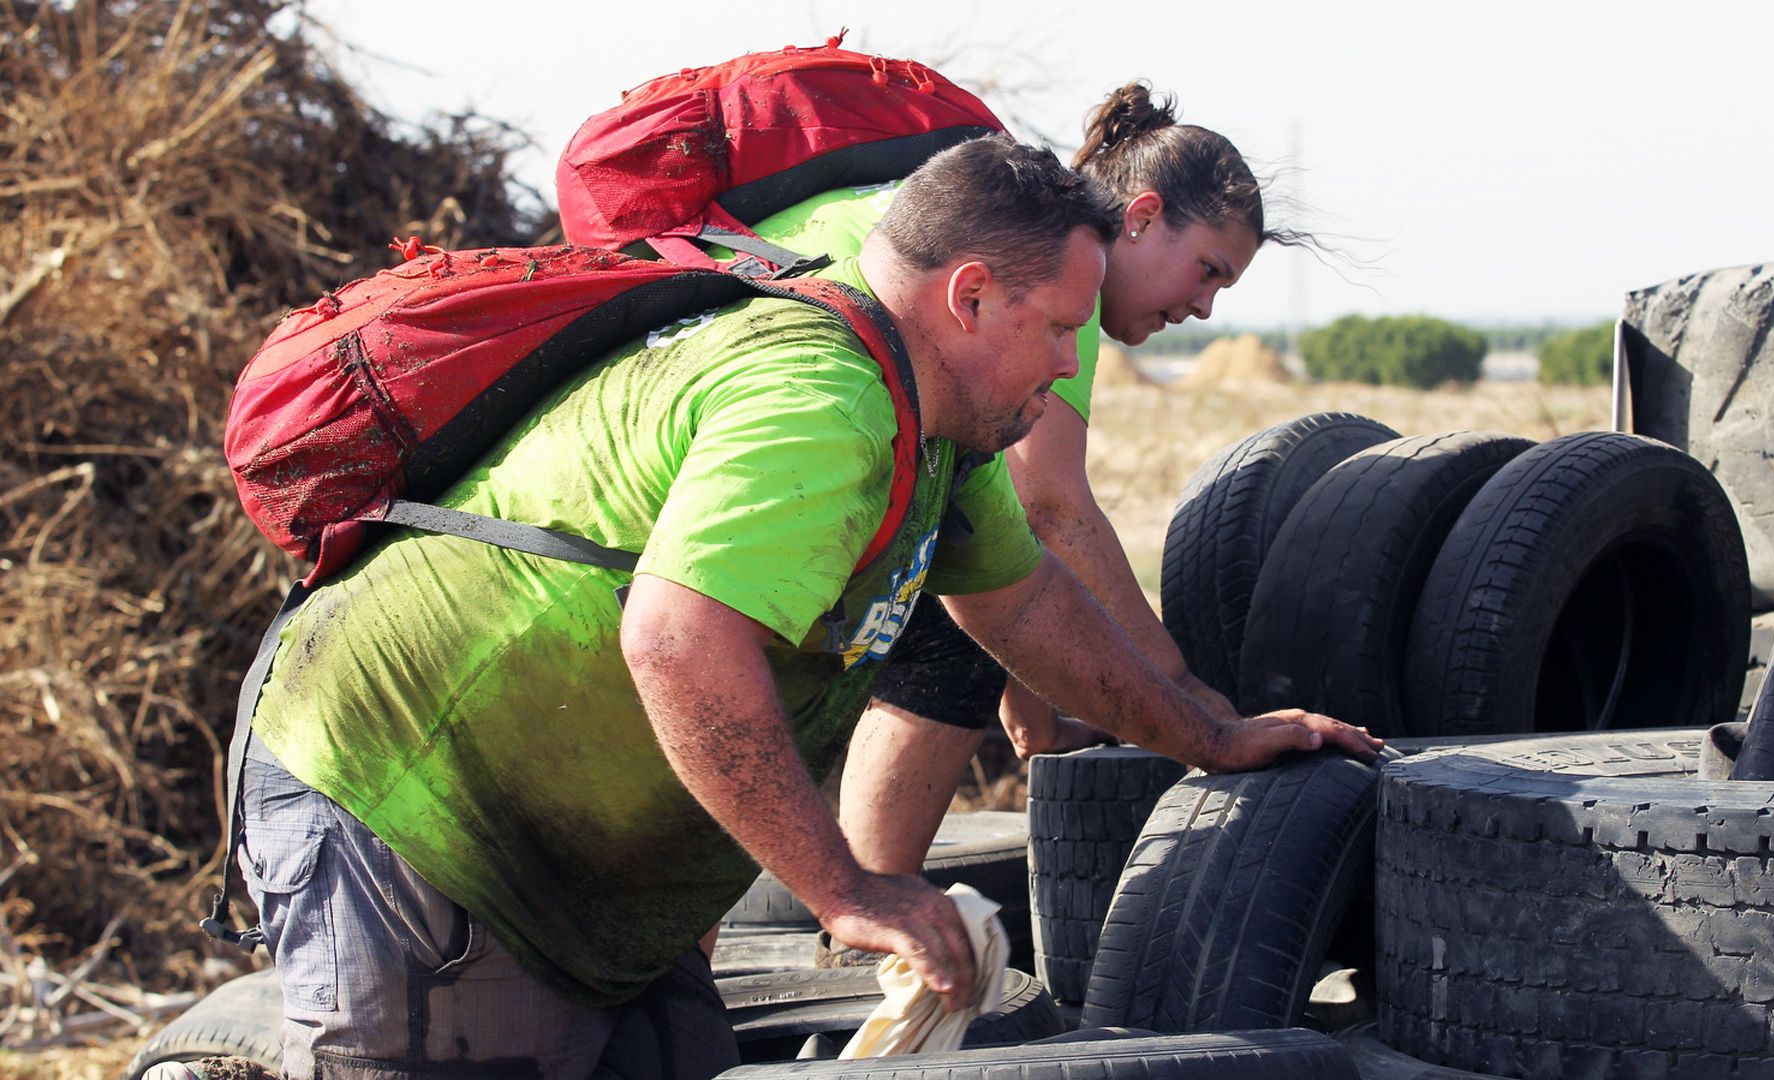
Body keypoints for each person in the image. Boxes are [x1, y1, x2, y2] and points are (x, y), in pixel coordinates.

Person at [228, 134, 1379, 1080]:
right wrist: (847, 887)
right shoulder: (819, 400)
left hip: (597, 880)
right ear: (970, 297)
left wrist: (1210, 736)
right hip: (418, 810)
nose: (1070, 357)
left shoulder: (947, 430)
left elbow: (1031, 612)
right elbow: (678, 640)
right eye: (1057, 328)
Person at [774, 84, 1322, 883]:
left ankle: (860, 910)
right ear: (1139, 217)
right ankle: (870, 911)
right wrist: (1189, 700)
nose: (1203, 307)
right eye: (1207, 270)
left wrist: (1036, 717)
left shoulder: (1027, 236)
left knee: (959, 573)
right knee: (951, 627)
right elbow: (1050, 509)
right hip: (778, 412)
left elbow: (998, 510)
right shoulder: (1065, 272)